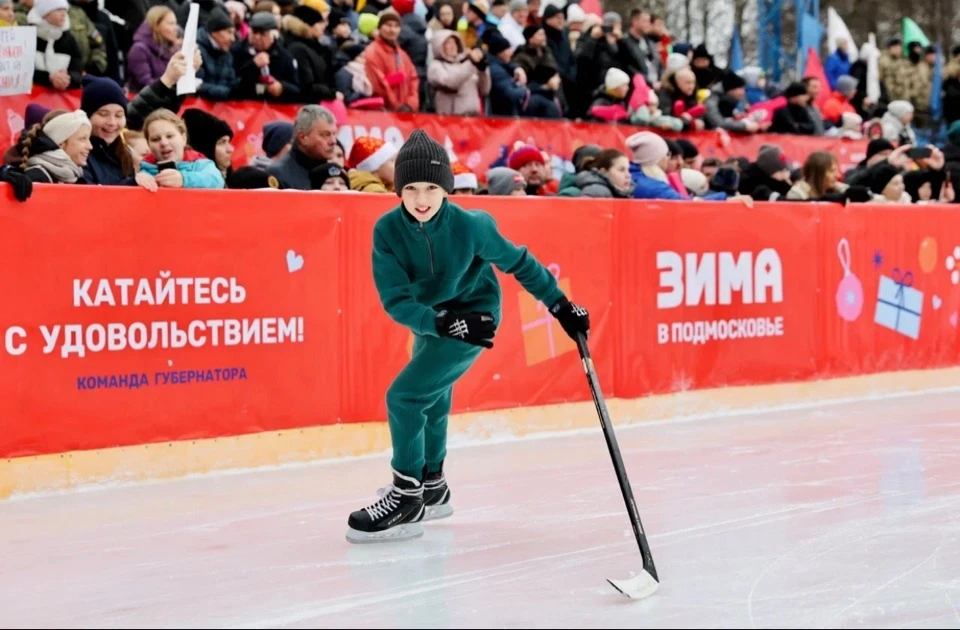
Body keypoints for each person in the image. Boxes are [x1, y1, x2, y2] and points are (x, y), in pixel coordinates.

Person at [347, 129, 590, 543]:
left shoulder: (471, 226)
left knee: (404, 397)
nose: (421, 199)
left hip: (475, 316)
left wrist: (560, 306)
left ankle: (407, 495)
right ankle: (433, 485)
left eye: (430, 188)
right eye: (410, 188)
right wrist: (438, 323)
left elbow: (521, 264)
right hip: (430, 318)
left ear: (445, 189)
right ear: (397, 189)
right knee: (432, 397)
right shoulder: (387, 231)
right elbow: (395, 300)